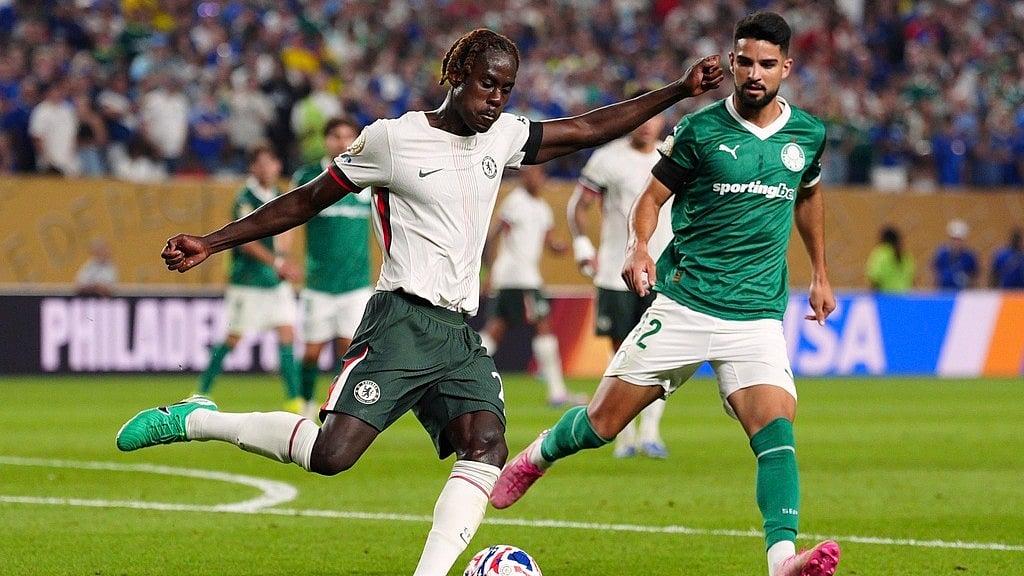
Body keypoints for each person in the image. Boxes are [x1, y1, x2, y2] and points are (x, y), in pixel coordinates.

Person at [115, 28, 723, 576]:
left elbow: (588, 129)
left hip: (457, 331)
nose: (496, 100)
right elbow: (306, 200)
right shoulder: (393, 140)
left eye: (506, 89)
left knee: (487, 444)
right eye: (486, 85)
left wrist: (678, 90)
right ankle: (196, 418)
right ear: (456, 75)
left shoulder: (503, 137)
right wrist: (213, 242)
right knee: (331, 455)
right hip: (400, 321)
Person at [491, 13, 841, 576]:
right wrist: (638, 248)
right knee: (602, 424)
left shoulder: (808, 134)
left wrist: (821, 272)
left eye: (767, 64)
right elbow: (650, 199)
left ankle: (782, 560)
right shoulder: (700, 130)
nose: (754, 73)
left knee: (776, 432)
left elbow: (809, 196)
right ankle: (539, 454)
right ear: (732, 62)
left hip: (756, 316)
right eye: (745, 62)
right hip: (686, 304)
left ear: (786, 68)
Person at [567, 95, 672, 459]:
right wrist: (582, 246)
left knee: (661, 353)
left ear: (662, 121)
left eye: (655, 117)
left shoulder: (673, 155)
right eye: (643, 115)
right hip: (616, 271)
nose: (648, 124)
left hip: (662, 272)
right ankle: (625, 436)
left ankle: (651, 432)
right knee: (621, 353)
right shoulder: (607, 158)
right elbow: (578, 206)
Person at [193, 143, 304, 412]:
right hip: (248, 281)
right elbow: (246, 241)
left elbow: (286, 231)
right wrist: (277, 261)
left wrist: (284, 258)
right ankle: (201, 391)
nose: (266, 169)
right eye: (260, 164)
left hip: (275, 282)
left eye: (270, 163)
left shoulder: (279, 195)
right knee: (233, 338)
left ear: (278, 165)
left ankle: (294, 400)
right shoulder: (245, 199)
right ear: (253, 168)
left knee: (287, 333)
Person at [479, 163, 585, 408]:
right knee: (543, 327)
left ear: (543, 177)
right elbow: (493, 234)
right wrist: (489, 270)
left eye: (536, 174)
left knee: (496, 329)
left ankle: (457, 372)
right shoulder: (515, 202)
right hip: (519, 277)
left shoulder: (542, 208)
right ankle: (557, 392)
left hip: (521, 277)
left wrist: (558, 247)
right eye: (528, 175)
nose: (532, 179)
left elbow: (549, 241)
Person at [291, 117, 374, 419]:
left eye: (348, 136)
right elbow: (289, 217)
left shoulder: (368, 176)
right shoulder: (308, 176)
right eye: (336, 136)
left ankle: (339, 410)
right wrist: (284, 256)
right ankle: (305, 404)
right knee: (311, 352)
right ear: (326, 140)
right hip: (319, 283)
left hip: (356, 284)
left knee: (348, 351)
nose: (342, 142)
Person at [931, 218, 978, 290]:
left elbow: (975, 277)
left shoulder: (970, 257)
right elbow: (934, 274)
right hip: (943, 291)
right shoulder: (941, 254)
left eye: (959, 240)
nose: (956, 242)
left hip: (963, 293)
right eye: (954, 239)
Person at [865, 224, 915, 292]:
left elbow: (874, 278)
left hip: (885, 296)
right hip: (904, 296)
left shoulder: (881, 253)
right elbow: (911, 279)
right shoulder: (906, 256)